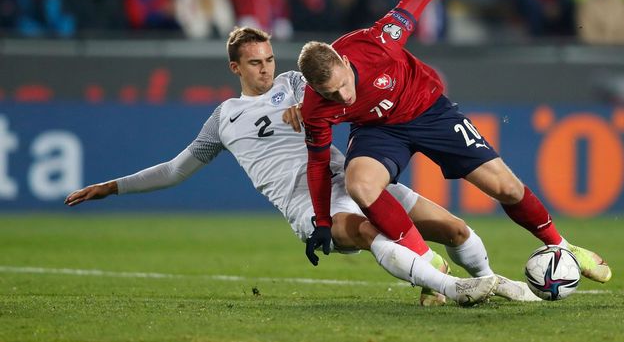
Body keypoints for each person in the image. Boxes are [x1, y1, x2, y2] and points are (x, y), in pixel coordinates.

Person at [64, 26, 540, 306]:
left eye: (269, 59)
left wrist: (306, 106)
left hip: (351, 177)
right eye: (254, 63)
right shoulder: (223, 120)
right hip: (307, 205)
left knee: (456, 231)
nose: (265, 69)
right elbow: (174, 170)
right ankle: (451, 288)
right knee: (372, 232)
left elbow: (327, 99)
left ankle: (492, 281)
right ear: (235, 68)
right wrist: (111, 187)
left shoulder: (299, 83)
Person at [296, 0, 612, 284]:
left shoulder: (376, 44)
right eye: (331, 95)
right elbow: (319, 165)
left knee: (506, 188)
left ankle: (564, 246)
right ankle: (427, 262)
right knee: (360, 185)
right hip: (378, 129)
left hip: (429, 110)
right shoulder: (315, 109)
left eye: (344, 85)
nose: (343, 98)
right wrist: (322, 221)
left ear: (342, 61)